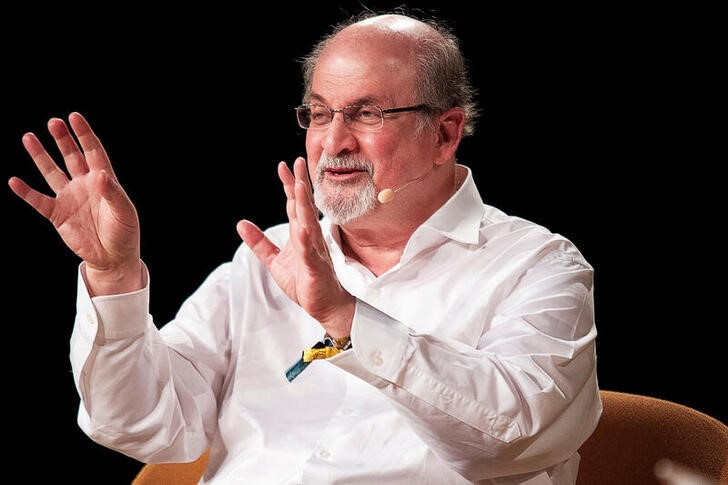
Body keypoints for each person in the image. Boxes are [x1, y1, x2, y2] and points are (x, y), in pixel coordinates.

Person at [8, 12, 601, 485]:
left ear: (444, 132)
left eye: (366, 114)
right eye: (319, 114)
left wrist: (344, 319)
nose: (333, 142)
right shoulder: (268, 257)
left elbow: (516, 437)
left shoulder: (538, 265)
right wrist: (113, 277)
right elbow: (145, 426)